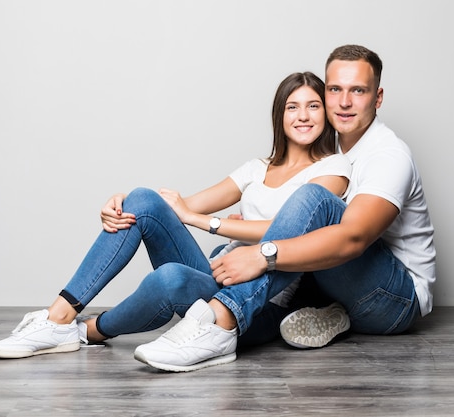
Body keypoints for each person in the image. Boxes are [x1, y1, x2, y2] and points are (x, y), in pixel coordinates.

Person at [0, 71, 352, 359]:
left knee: (170, 280)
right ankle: (59, 317)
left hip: (260, 302)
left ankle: (86, 332)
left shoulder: (334, 168)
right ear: (280, 114)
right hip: (219, 274)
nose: (303, 115)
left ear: (326, 113)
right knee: (143, 199)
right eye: (293, 106)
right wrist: (123, 204)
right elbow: (179, 208)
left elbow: (290, 231)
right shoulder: (256, 169)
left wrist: (208, 223)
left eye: (313, 106)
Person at [134, 44, 436, 372]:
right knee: (231, 249)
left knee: (310, 201)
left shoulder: (387, 155)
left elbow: (353, 238)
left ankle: (221, 321)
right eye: (335, 89)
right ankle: (331, 313)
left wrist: (262, 253)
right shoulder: (332, 146)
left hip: (393, 299)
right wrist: (130, 206)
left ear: (377, 98)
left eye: (358, 91)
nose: (345, 102)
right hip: (330, 282)